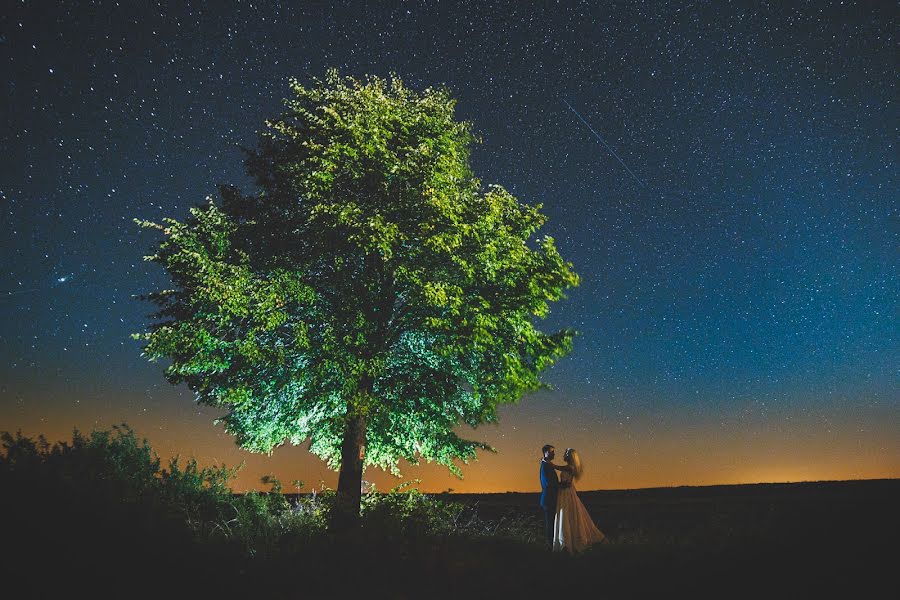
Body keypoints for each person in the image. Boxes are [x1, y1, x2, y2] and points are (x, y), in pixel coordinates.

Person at [552, 448, 606, 553]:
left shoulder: (569, 467)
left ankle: (568, 544)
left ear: (571, 457)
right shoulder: (569, 467)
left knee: (567, 515)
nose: (564, 454)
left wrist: (548, 464)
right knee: (569, 515)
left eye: (567, 453)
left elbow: (559, 470)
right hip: (566, 493)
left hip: (566, 493)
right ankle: (568, 543)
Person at [539, 444, 560, 547]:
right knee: (550, 524)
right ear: (545, 452)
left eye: (553, 452)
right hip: (549, 499)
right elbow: (548, 483)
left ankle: (552, 545)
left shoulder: (548, 464)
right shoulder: (545, 465)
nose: (553, 454)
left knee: (552, 523)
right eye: (551, 452)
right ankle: (550, 546)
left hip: (551, 499)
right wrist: (562, 485)